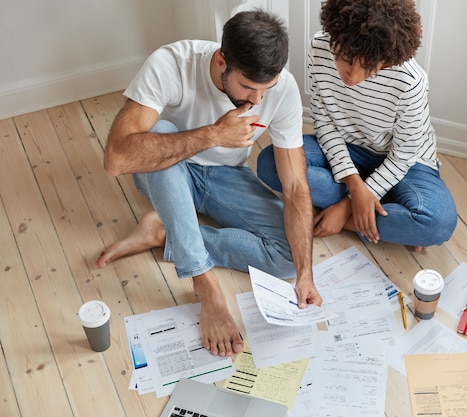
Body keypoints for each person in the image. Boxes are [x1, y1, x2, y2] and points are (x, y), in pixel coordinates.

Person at [97, 10, 322, 358]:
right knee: (159, 132)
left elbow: (294, 187)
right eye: (247, 87)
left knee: (288, 258)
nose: (257, 101)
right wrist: (214, 134)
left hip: (225, 177)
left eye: (267, 89)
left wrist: (305, 275)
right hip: (166, 171)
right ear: (221, 61)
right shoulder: (171, 64)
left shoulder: (283, 89)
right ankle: (206, 283)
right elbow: (117, 158)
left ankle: (165, 233)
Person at [257, 0, 457, 251]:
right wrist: (354, 184)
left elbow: (404, 154)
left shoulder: (410, 80)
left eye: (368, 68)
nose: (352, 75)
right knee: (269, 164)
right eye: (346, 58)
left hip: (406, 162)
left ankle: (351, 214)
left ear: (384, 61)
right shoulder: (320, 48)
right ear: (335, 39)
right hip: (347, 148)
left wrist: (347, 205)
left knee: (438, 223)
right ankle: (381, 207)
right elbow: (325, 122)